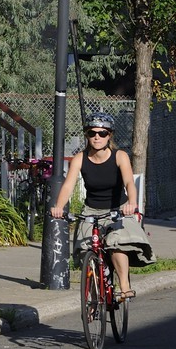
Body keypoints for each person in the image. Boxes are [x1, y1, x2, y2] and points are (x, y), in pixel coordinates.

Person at [49, 112, 155, 300]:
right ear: (87, 135)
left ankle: (124, 285)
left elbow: (130, 183)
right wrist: (58, 206)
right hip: (91, 210)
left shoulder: (119, 156)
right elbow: (68, 185)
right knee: (85, 249)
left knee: (117, 244)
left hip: (118, 210)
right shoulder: (80, 159)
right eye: (92, 133)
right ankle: (92, 295)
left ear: (109, 135)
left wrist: (131, 203)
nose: (97, 137)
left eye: (102, 133)